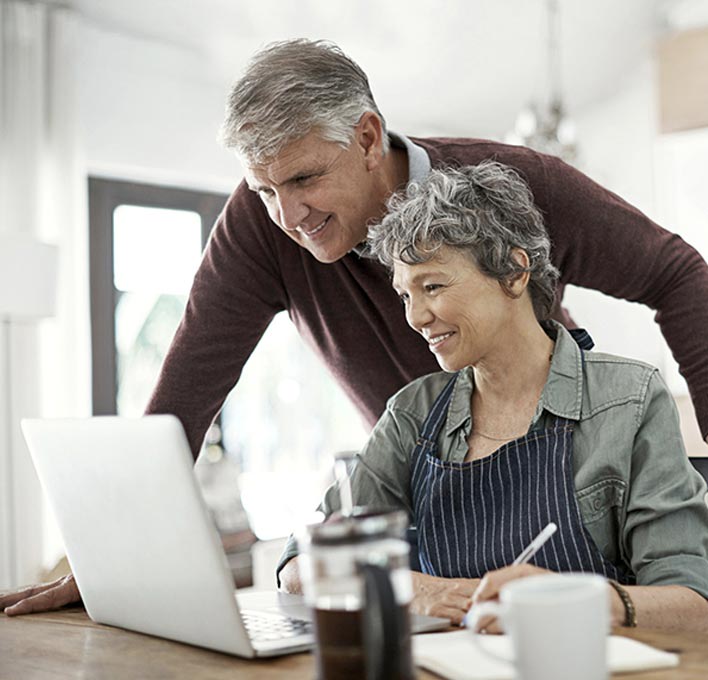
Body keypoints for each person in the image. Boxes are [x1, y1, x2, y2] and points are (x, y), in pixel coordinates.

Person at [3, 38, 708, 615]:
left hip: (567, 486)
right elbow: (185, 393)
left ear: (368, 137)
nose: (288, 216)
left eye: (306, 179)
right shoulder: (275, 242)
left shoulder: (513, 187)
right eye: (263, 187)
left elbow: (680, 275)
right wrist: (111, 563)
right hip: (431, 529)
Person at [278, 162, 708, 632]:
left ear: (514, 272)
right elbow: (301, 565)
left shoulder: (630, 400)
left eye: (434, 286)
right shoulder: (411, 415)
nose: (416, 317)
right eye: (405, 295)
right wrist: (419, 589)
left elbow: (693, 602)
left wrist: (592, 602)